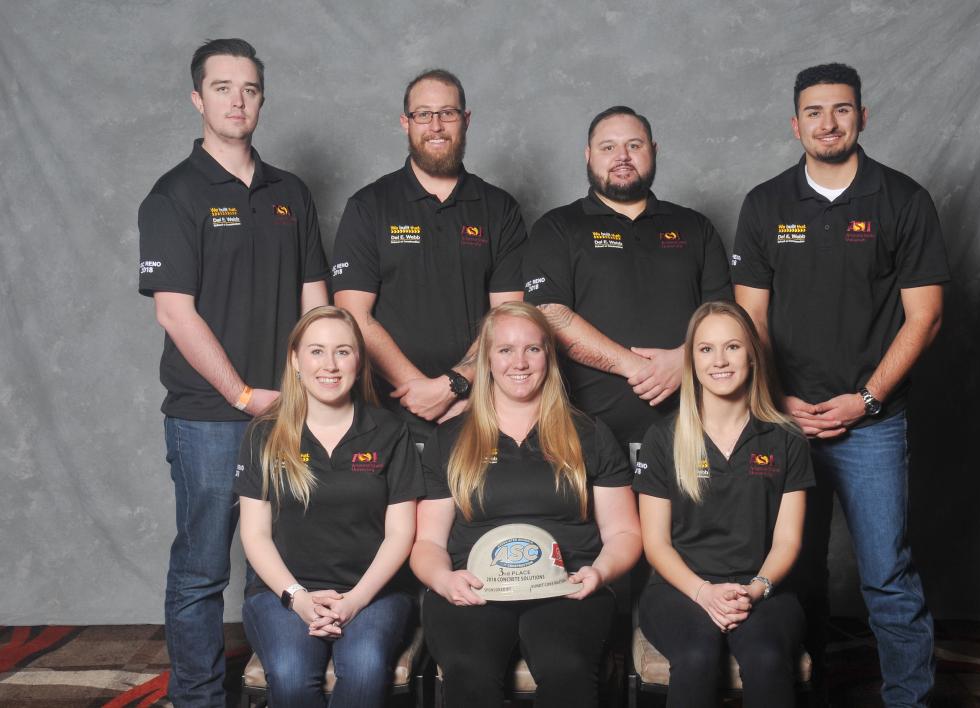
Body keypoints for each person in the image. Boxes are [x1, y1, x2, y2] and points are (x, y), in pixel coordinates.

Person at [732, 63, 949, 707]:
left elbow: (926, 316)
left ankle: (909, 700)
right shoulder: (765, 204)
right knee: (794, 570)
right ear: (794, 123)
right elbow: (751, 319)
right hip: (784, 423)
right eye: (815, 112)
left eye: (842, 110)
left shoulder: (903, 200)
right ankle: (814, 690)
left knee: (886, 574)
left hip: (872, 425)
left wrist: (867, 400)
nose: (829, 123)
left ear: (862, 115)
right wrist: (779, 399)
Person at [137, 38, 328, 705]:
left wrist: (310, 390)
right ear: (198, 98)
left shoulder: (290, 192)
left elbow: (316, 303)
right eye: (222, 88)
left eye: (248, 88)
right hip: (210, 417)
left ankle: (289, 687)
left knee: (282, 561)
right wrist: (244, 393)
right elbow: (176, 315)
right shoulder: (174, 195)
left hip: (291, 412)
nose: (237, 100)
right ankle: (198, 698)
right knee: (201, 570)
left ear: (261, 99)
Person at [411, 301, 642, 708]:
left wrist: (600, 573)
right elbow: (427, 543)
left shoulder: (589, 434)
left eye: (532, 349)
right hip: (474, 588)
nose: (520, 362)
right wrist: (444, 580)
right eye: (505, 350)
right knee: (469, 670)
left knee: (566, 667)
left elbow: (624, 533)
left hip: (567, 587)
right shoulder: (449, 438)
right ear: (486, 360)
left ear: (549, 357)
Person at [236, 306, 423, 708]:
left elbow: (401, 533)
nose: (330, 365)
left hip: (375, 592)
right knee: (289, 672)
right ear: (295, 360)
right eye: (317, 351)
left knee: (366, 667)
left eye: (343, 351)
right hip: (281, 591)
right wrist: (297, 597)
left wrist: (355, 599)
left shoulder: (390, 431)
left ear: (359, 360)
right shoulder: (265, 434)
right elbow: (254, 534)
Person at [332, 68, 527, 444]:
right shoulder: (369, 206)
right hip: (388, 412)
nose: (435, 126)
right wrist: (419, 389)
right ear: (406, 123)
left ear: (465, 120)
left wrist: (456, 384)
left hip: (477, 407)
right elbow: (354, 314)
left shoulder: (499, 208)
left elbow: (507, 317)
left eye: (447, 113)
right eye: (423, 114)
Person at [635, 301, 814, 707]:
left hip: (763, 586)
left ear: (752, 354)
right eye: (705, 349)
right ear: (691, 360)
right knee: (697, 656)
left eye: (732, 347)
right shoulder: (663, 438)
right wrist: (703, 592)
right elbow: (656, 544)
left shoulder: (786, 439)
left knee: (767, 658)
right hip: (678, 589)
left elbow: (787, 541)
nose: (719, 360)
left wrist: (754, 591)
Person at [522, 105, 731, 448]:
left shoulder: (695, 227)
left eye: (634, 145)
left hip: (691, 434)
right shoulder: (557, 227)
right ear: (589, 155)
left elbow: (723, 317)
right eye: (608, 147)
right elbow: (548, 315)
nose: (622, 156)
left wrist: (686, 359)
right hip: (586, 437)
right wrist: (636, 367)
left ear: (654, 151)